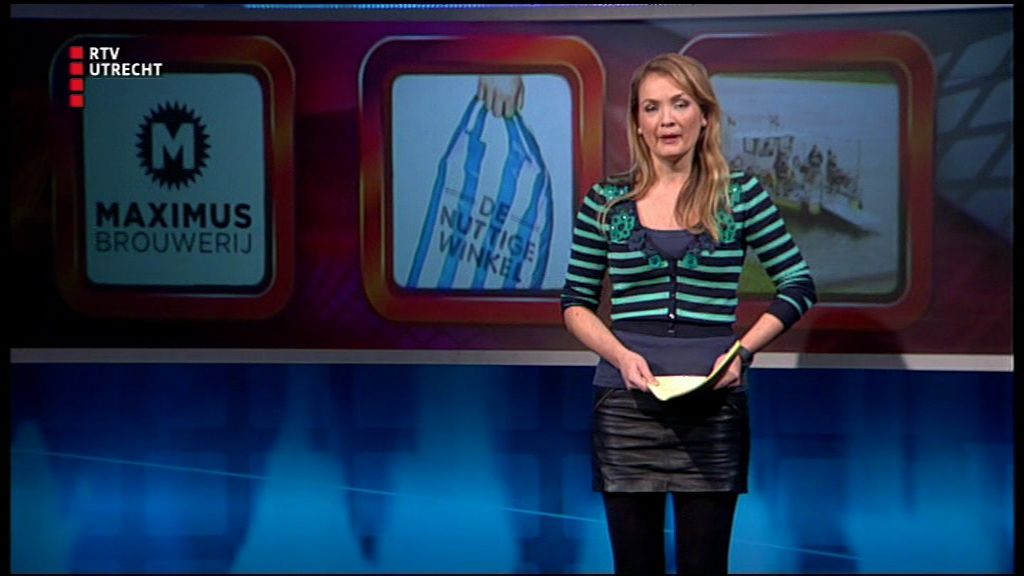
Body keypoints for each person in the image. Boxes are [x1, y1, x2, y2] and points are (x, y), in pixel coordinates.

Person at [560, 53, 817, 574]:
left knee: (705, 565)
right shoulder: (606, 202)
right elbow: (575, 303)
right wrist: (620, 355)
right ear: (638, 122)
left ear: (705, 115)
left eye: (680, 104)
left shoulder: (741, 197)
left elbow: (798, 284)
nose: (667, 120)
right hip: (626, 406)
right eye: (651, 108)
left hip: (713, 406)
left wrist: (742, 352)